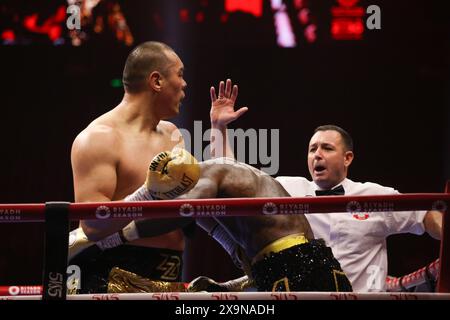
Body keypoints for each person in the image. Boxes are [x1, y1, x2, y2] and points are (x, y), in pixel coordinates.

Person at [68, 41, 248, 293]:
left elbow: (196, 196)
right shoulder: (99, 138)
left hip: (170, 276)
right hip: (111, 277)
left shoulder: (171, 134)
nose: (185, 84)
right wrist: (147, 194)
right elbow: (92, 225)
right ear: (157, 81)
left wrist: (229, 242)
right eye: (180, 74)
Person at [145, 149, 353, 292]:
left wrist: (119, 234)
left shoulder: (206, 178)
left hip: (294, 267)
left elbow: (181, 213)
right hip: (313, 263)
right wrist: (226, 287)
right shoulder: (234, 177)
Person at [274, 125, 443, 292]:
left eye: (327, 148)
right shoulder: (288, 189)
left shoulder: (373, 195)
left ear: (347, 158)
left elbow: (425, 214)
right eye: (312, 149)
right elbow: (249, 182)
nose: (317, 155)